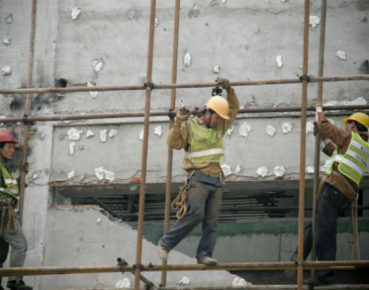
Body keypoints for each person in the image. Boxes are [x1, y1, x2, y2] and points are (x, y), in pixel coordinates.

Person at [157, 78, 239, 265]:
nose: (219, 121)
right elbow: (173, 143)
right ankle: (165, 244)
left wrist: (229, 89)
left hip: (216, 180)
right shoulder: (190, 127)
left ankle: (204, 255)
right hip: (199, 179)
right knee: (195, 214)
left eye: (221, 118)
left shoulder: (221, 126)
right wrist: (178, 122)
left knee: (211, 222)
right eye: (217, 116)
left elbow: (234, 108)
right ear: (208, 112)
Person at [296, 100, 369, 286]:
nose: (346, 127)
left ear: (353, 125)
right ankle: (297, 256)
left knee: (325, 231)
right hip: (345, 195)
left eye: (348, 124)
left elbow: (325, 125)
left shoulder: (350, 137)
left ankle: (324, 274)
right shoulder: (362, 146)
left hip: (335, 188)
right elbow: (332, 150)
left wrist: (319, 110)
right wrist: (322, 137)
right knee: (317, 225)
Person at [0, 131, 32, 290]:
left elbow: (12, 191)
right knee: (20, 243)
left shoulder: (5, 167)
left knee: (1, 251)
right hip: (2, 209)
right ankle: (14, 281)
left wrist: (21, 178)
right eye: (9, 147)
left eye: (14, 147)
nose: (12, 150)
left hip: (6, 208)